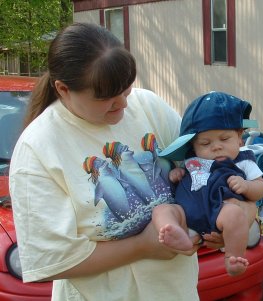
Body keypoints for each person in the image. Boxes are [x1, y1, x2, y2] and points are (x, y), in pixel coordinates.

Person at [9, 22, 207, 301]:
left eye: (126, 90)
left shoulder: (149, 107)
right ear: (63, 89)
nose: (124, 105)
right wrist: (143, 246)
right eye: (106, 99)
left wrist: (216, 224)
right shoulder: (38, 147)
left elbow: (204, 171)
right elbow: (52, 259)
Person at [153, 91, 263, 276]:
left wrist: (247, 186)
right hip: (187, 212)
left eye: (224, 139)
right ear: (193, 146)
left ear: (239, 137)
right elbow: (183, 179)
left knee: (235, 215)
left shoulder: (244, 162)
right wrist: (178, 173)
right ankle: (174, 232)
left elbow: (261, 188)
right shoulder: (192, 161)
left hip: (220, 212)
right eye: (205, 143)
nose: (216, 146)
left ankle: (233, 258)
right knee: (162, 210)